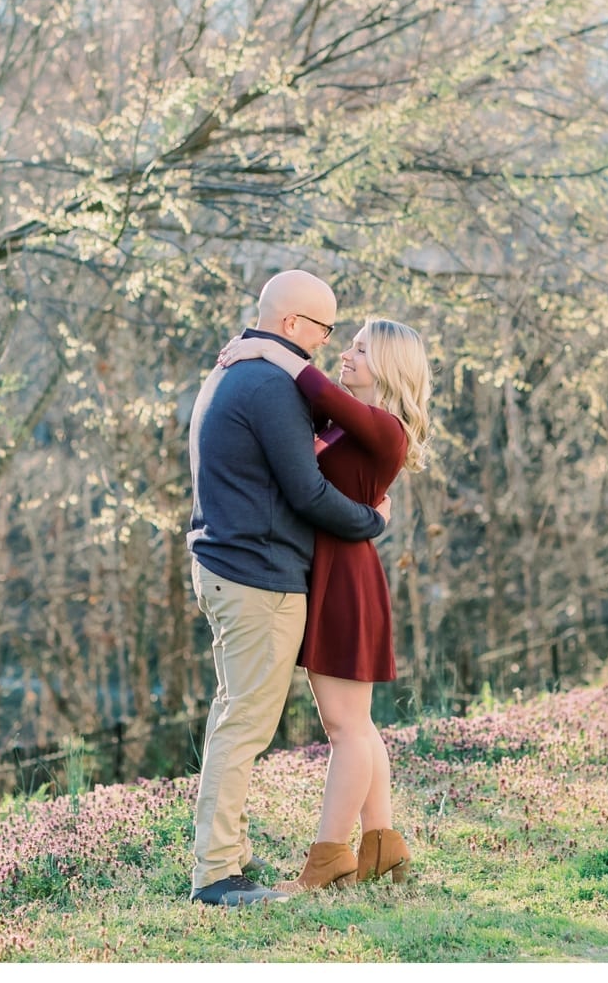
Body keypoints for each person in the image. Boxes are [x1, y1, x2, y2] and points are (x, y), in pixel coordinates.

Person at [186, 269, 393, 908]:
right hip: (257, 578)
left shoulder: (231, 371)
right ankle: (218, 877)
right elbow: (307, 492)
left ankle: (236, 858)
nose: (329, 346)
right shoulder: (270, 385)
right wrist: (372, 521)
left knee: (239, 715)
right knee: (243, 724)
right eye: (326, 332)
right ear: (294, 325)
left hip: (229, 564)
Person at [216, 315, 432, 892]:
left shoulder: (386, 428)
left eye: (361, 350)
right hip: (334, 574)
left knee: (345, 729)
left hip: (346, 582)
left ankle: (328, 861)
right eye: (350, 347)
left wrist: (262, 348)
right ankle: (381, 846)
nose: (347, 356)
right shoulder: (346, 425)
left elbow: (312, 386)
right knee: (356, 726)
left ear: (387, 367)